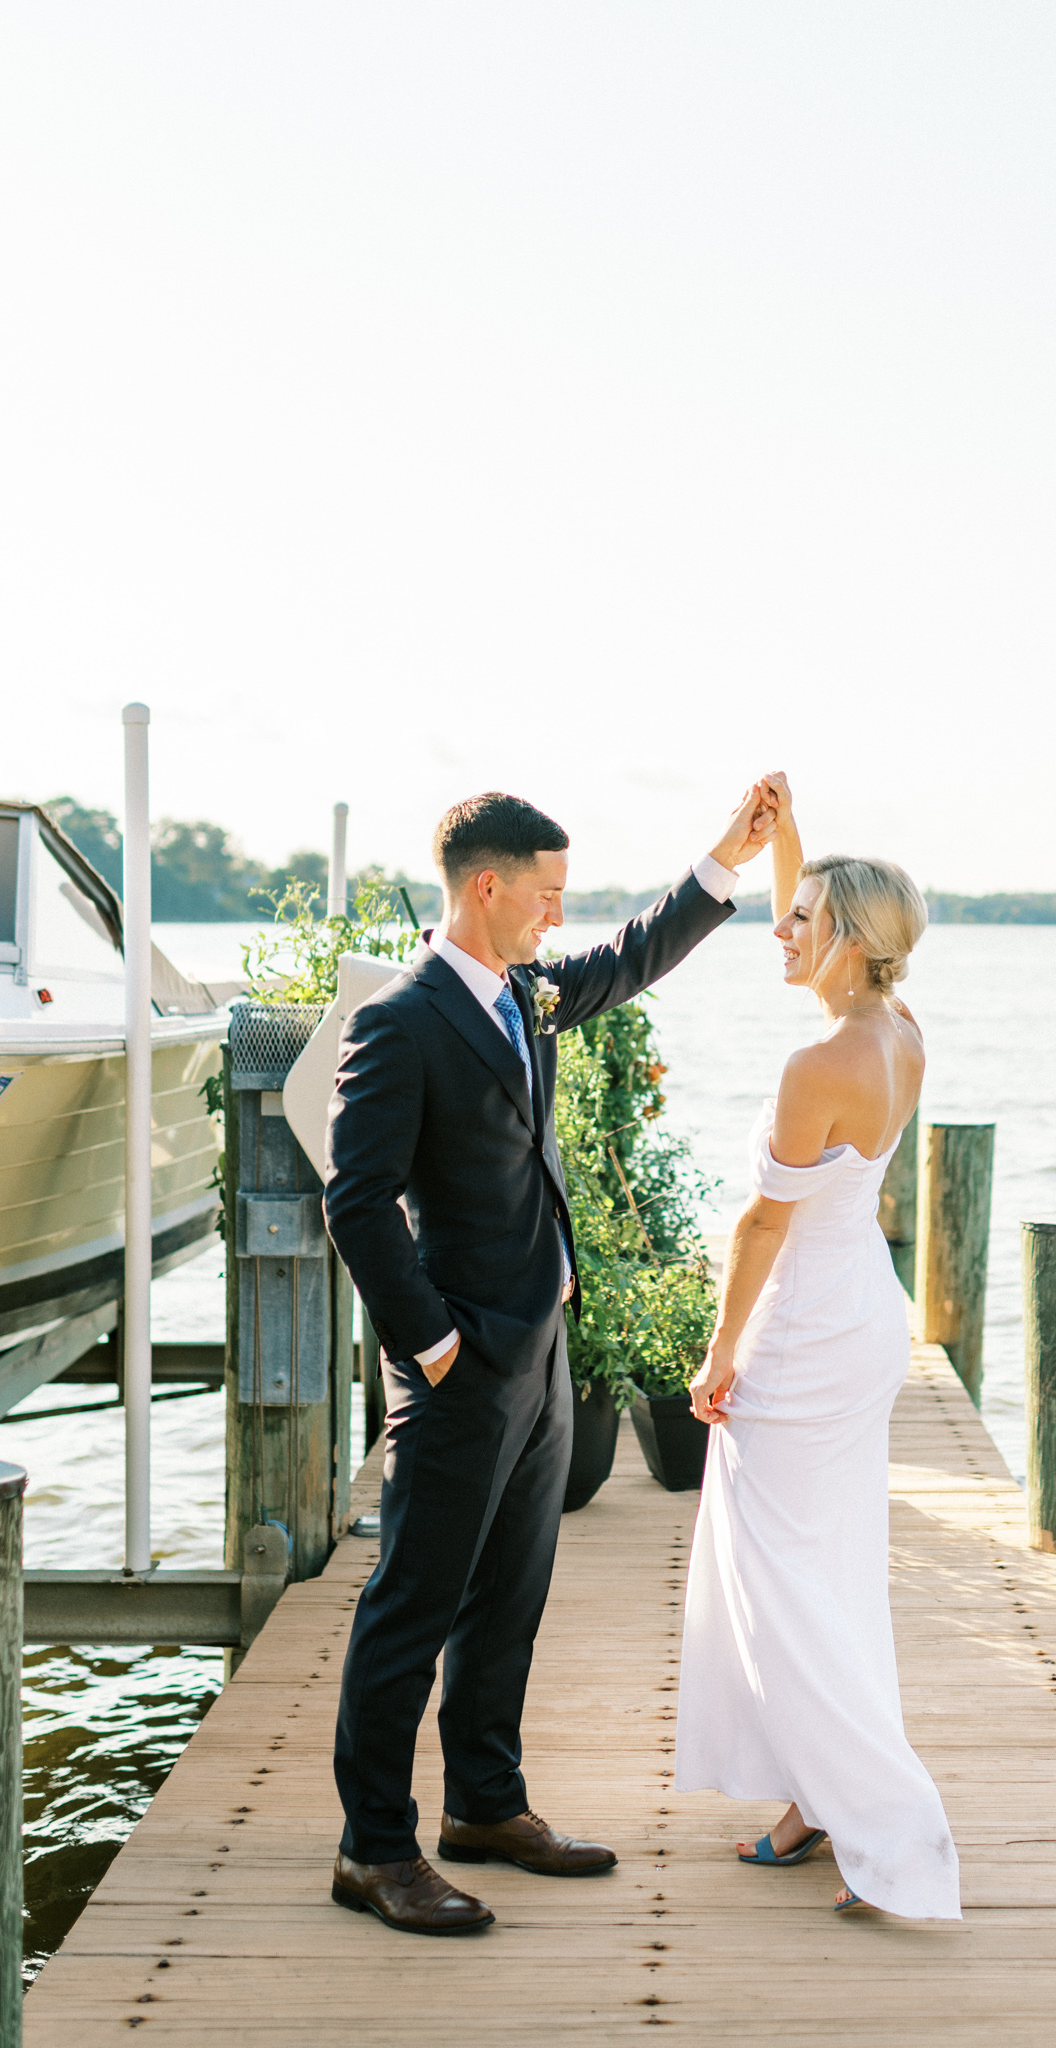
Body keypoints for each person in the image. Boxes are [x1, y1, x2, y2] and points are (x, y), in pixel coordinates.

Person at [325, 784, 775, 1935]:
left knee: (508, 1601)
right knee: (411, 1607)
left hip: (540, 1354)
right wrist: (432, 1345)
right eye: (547, 894)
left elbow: (629, 959)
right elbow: (359, 1202)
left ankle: (485, 1804)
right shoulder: (401, 1019)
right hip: (458, 1366)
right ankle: (375, 1848)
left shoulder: (525, 992)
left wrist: (727, 858)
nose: (557, 916)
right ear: (489, 886)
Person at [675, 774, 962, 1920]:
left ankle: (893, 1826)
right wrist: (786, 835)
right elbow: (816, 919)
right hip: (862, 1322)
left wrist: (715, 1350)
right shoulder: (895, 1030)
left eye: (800, 919)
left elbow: (760, 1224)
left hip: (798, 1337)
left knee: (781, 1585)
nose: (780, 928)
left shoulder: (817, 1067)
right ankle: (814, 1798)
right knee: (828, 1571)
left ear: (846, 941)